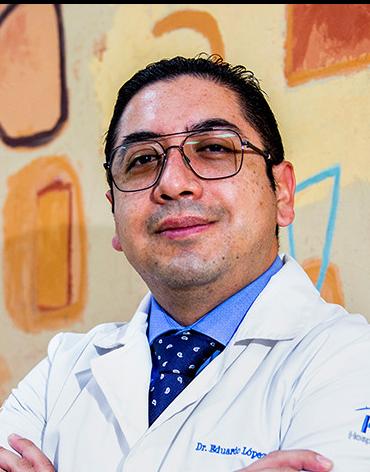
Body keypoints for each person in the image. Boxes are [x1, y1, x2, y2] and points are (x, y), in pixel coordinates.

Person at [0, 54, 369, 472]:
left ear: (281, 193)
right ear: (116, 216)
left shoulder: (351, 361)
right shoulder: (62, 371)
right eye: (141, 160)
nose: (174, 184)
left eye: (213, 148)